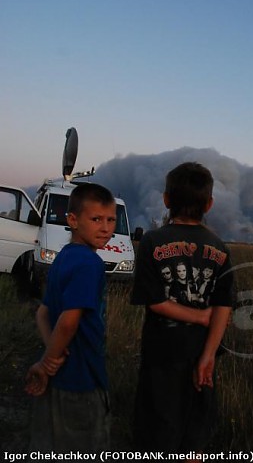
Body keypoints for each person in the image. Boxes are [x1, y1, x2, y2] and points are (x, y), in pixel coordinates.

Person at [131, 162, 233, 458]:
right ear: (210, 204)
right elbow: (223, 309)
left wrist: (199, 316)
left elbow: (156, 302)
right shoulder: (220, 248)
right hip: (200, 356)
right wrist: (209, 355)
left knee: (157, 435)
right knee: (194, 438)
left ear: (165, 199)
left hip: (160, 358)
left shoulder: (152, 241)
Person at [25, 183, 116, 456]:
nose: (106, 228)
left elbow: (43, 313)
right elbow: (68, 321)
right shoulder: (90, 264)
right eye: (96, 219)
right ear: (73, 220)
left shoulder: (63, 257)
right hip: (83, 381)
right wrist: (45, 363)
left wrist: (52, 354)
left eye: (111, 220)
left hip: (58, 379)